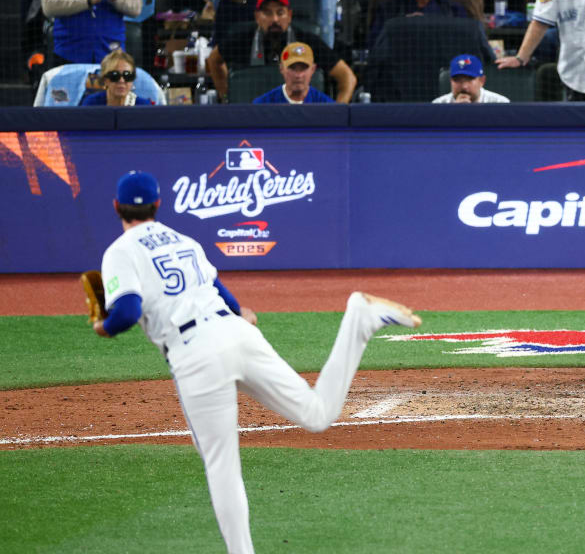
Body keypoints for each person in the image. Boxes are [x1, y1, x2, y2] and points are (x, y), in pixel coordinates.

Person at [93, 170, 421, 554]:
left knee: (222, 466)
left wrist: (103, 326)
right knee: (316, 414)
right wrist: (237, 314)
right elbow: (222, 294)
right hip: (237, 332)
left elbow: (128, 312)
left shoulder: (119, 251)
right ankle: (359, 320)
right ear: (158, 205)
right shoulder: (186, 240)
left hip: (195, 352)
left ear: (116, 206)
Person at [206, 0, 357, 102]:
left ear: (289, 15)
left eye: (280, 12)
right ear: (257, 16)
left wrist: (338, 112)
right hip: (252, 118)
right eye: (267, 13)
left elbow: (347, 77)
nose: (275, 20)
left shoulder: (308, 41)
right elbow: (214, 60)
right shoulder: (241, 39)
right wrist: (226, 96)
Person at [253, 41, 335, 103]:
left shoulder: (326, 105)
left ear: (313, 69)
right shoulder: (263, 105)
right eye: (292, 68)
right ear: (281, 69)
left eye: (303, 68)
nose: (298, 75)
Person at [80, 48, 153, 105]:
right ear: (105, 80)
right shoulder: (91, 104)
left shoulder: (143, 106)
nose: (121, 80)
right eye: (115, 75)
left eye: (127, 75)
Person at [433, 53, 510, 103]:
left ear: (481, 81)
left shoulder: (500, 103)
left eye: (469, 79)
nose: (464, 86)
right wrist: (454, 112)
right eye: (457, 80)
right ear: (451, 81)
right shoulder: (438, 105)